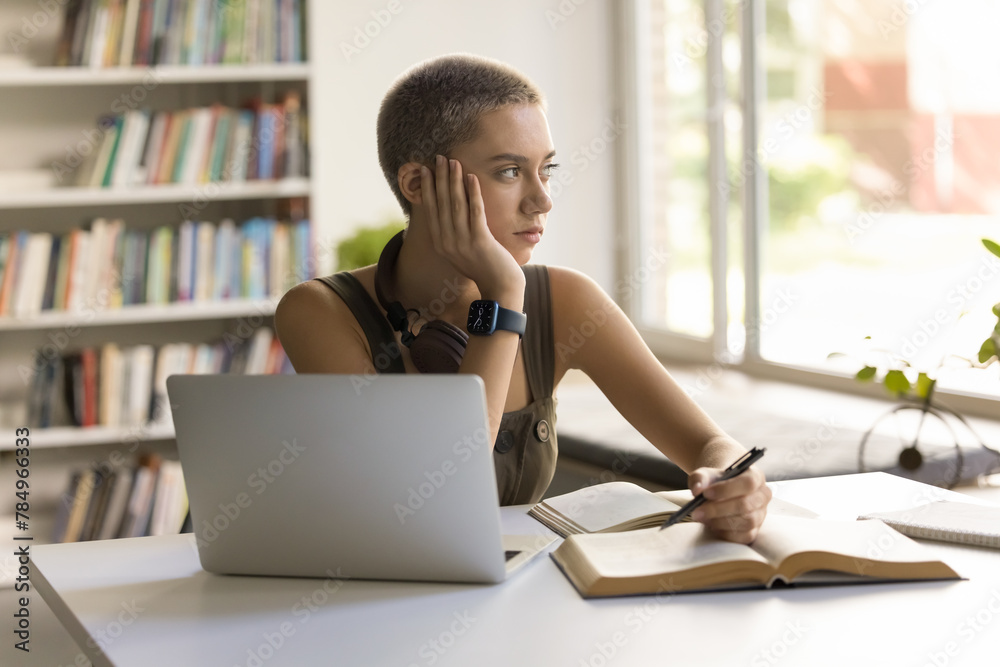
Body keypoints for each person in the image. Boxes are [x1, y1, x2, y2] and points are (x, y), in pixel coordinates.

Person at [275, 53, 771, 544]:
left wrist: (733, 481)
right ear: (418, 184)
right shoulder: (319, 312)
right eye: (510, 171)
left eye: (546, 169)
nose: (542, 199)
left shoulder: (567, 300)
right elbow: (442, 491)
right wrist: (504, 294)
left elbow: (707, 443)